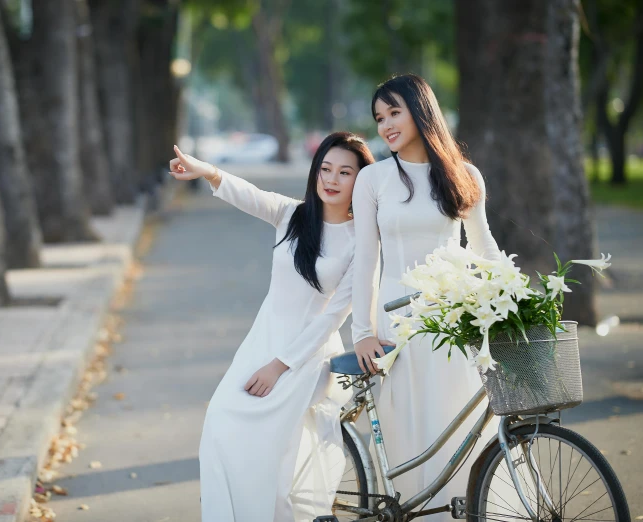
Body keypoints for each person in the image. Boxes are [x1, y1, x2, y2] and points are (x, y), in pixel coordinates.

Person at [168, 132, 375, 521]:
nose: (331, 179)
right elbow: (247, 194)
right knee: (219, 426)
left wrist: (280, 365)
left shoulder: (361, 240)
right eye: (325, 169)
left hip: (305, 358)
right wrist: (207, 171)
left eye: (345, 172)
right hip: (260, 344)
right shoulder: (292, 215)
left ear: (360, 181)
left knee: (267, 457)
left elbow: (334, 315)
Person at [351, 74, 501, 518]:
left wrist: (514, 297)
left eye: (394, 112)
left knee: (460, 425)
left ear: (421, 111)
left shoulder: (464, 175)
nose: (385, 125)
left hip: (452, 319)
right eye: (379, 117)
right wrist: (361, 332)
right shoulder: (373, 179)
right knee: (411, 432)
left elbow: (484, 246)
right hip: (396, 320)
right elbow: (365, 261)